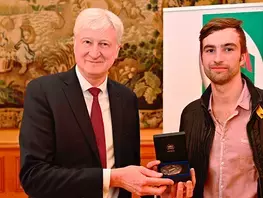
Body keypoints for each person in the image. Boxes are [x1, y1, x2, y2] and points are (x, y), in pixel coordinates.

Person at [19, 8, 174, 198]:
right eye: (87, 42)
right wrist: (112, 178)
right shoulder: (43, 92)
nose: (94, 52)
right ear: (74, 45)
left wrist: (154, 182)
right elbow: (34, 177)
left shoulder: (127, 99)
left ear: (117, 50)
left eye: (104, 44)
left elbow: (128, 172)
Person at [179, 17, 263, 197]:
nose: (218, 59)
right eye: (210, 50)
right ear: (201, 58)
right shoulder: (190, 115)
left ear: (243, 58)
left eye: (228, 49)